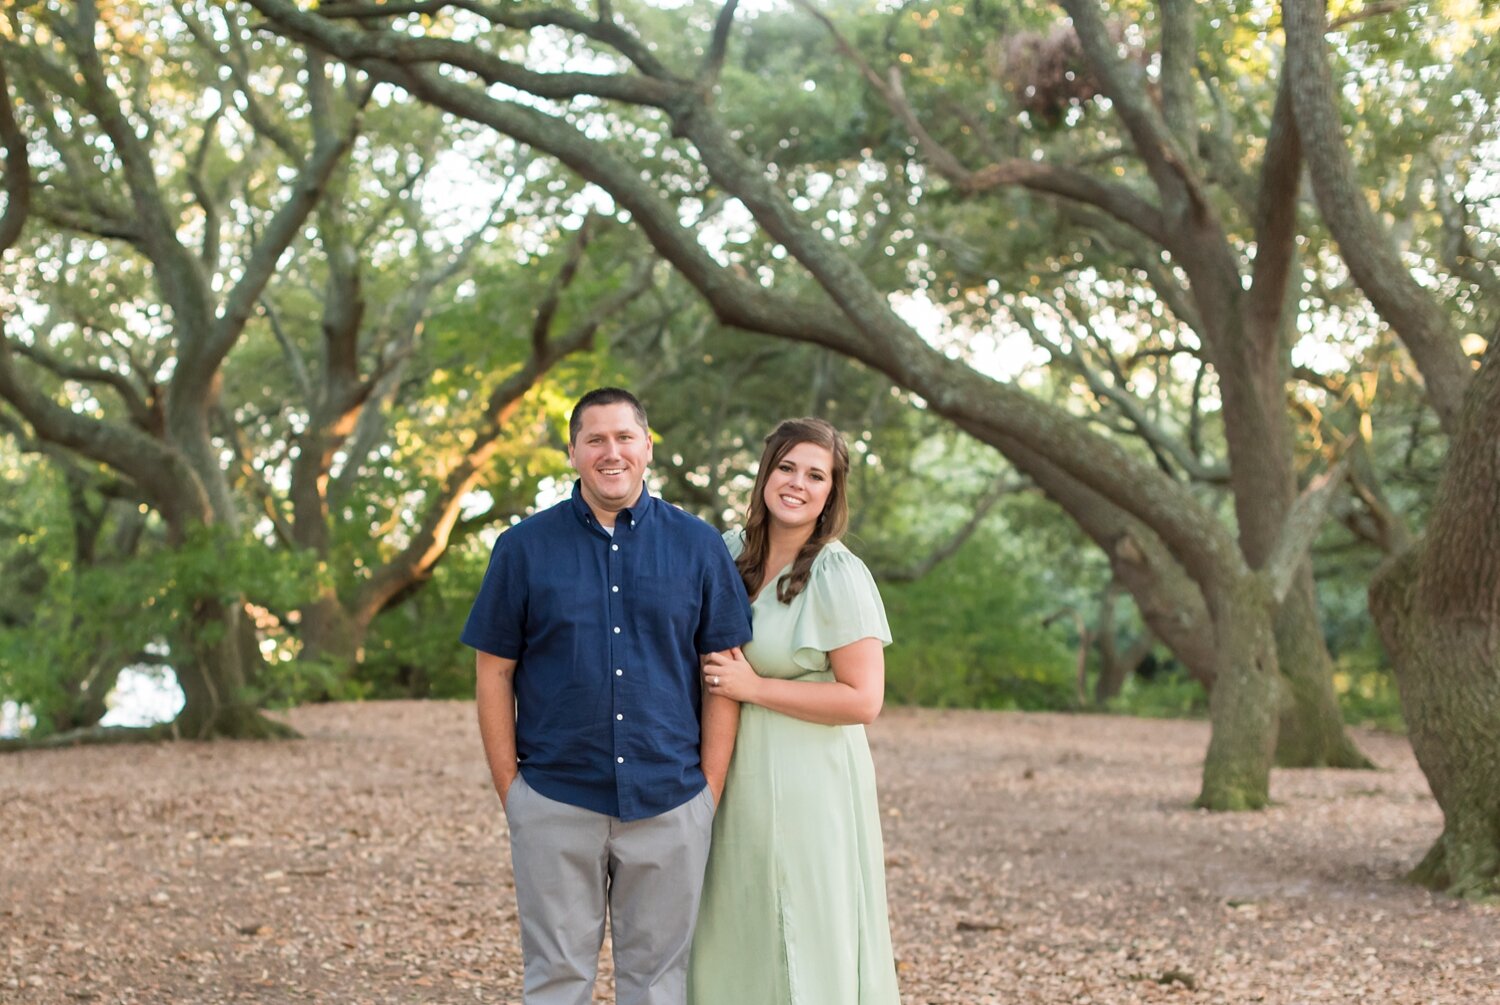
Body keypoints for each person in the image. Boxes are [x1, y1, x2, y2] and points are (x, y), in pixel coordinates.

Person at [462, 387, 752, 1005]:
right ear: (573, 453)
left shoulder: (699, 547)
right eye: (595, 439)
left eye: (624, 437)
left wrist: (708, 791)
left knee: (656, 986)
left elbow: (722, 673)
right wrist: (512, 790)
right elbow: (494, 674)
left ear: (647, 447)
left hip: (671, 800)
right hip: (554, 800)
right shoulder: (522, 548)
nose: (610, 451)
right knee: (557, 981)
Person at [687, 417, 900, 1005]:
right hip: (730, 770)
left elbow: (863, 700)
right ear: (765, 473)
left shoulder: (839, 573)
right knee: (734, 912)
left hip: (814, 782)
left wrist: (752, 688)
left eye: (816, 475)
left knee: (805, 922)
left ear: (832, 492)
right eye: (786, 468)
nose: (797, 484)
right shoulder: (725, 553)